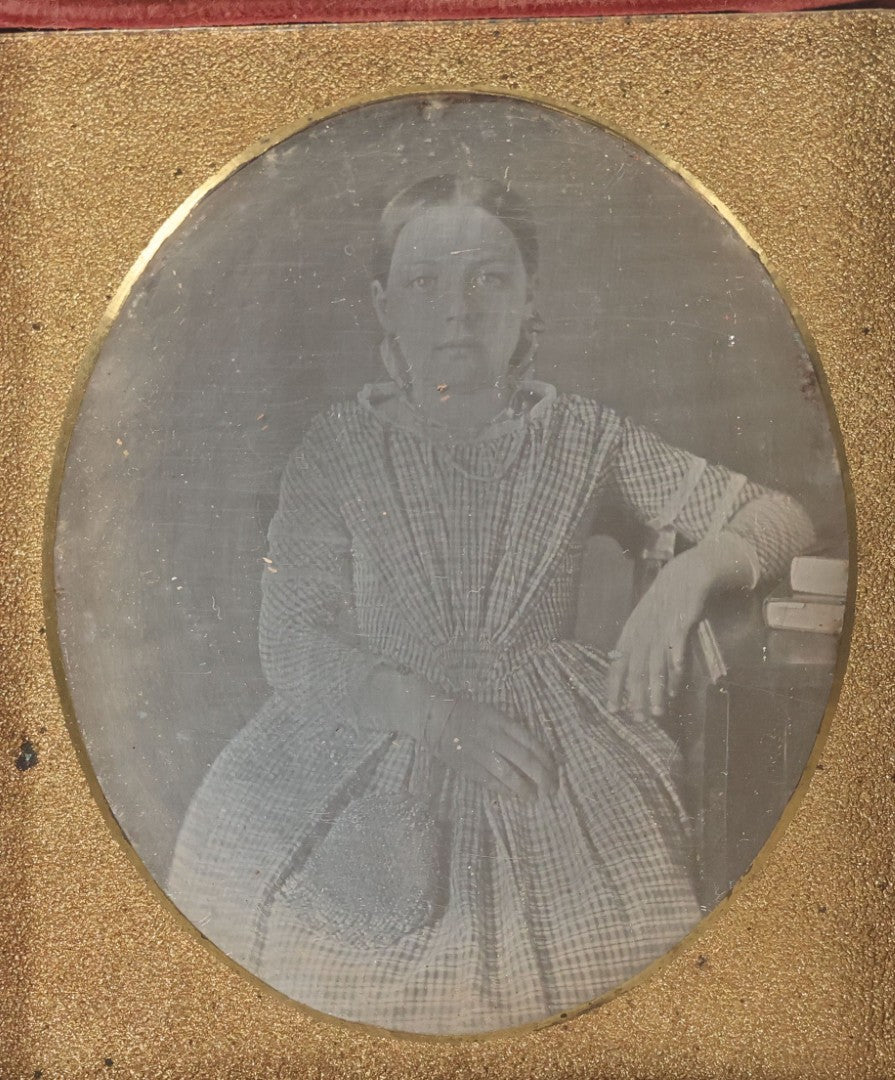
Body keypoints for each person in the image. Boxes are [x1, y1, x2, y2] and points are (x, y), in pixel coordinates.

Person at [168, 175, 815, 1034]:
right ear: (383, 304)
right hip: (377, 724)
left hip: (552, 749)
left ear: (528, 299)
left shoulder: (583, 433)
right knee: (295, 947)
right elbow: (291, 641)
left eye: (488, 279)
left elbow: (784, 515)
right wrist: (437, 718)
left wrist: (685, 579)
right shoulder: (341, 446)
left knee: (615, 948)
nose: (458, 311)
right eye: (424, 282)